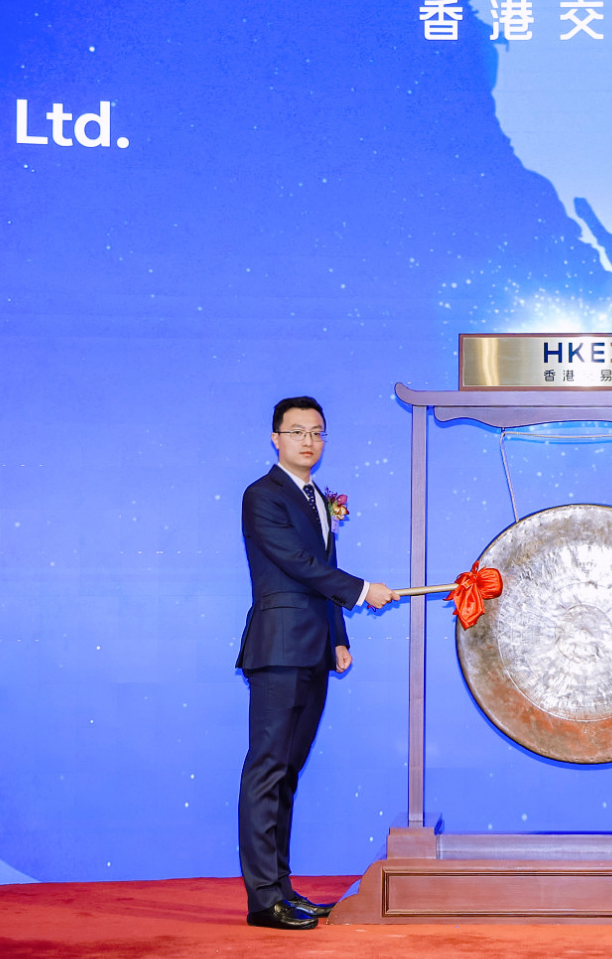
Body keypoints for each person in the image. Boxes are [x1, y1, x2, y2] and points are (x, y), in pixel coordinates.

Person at [237, 395, 394, 930]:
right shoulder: (262, 495)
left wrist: (338, 636)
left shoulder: (317, 499)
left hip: (314, 647)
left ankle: (282, 889)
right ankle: (263, 900)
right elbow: (297, 562)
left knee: (287, 773)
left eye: (317, 432)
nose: (308, 441)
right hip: (279, 647)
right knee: (267, 769)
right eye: (297, 431)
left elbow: (322, 569)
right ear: (275, 438)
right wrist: (363, 590)